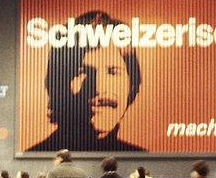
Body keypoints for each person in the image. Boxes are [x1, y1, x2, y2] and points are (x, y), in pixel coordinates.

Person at [30, 9, 144, 152]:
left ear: (131, 85)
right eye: (82, 72)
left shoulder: (141, 157)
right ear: (58, 86)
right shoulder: (37, 155)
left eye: (113, 72)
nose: (98, 88)